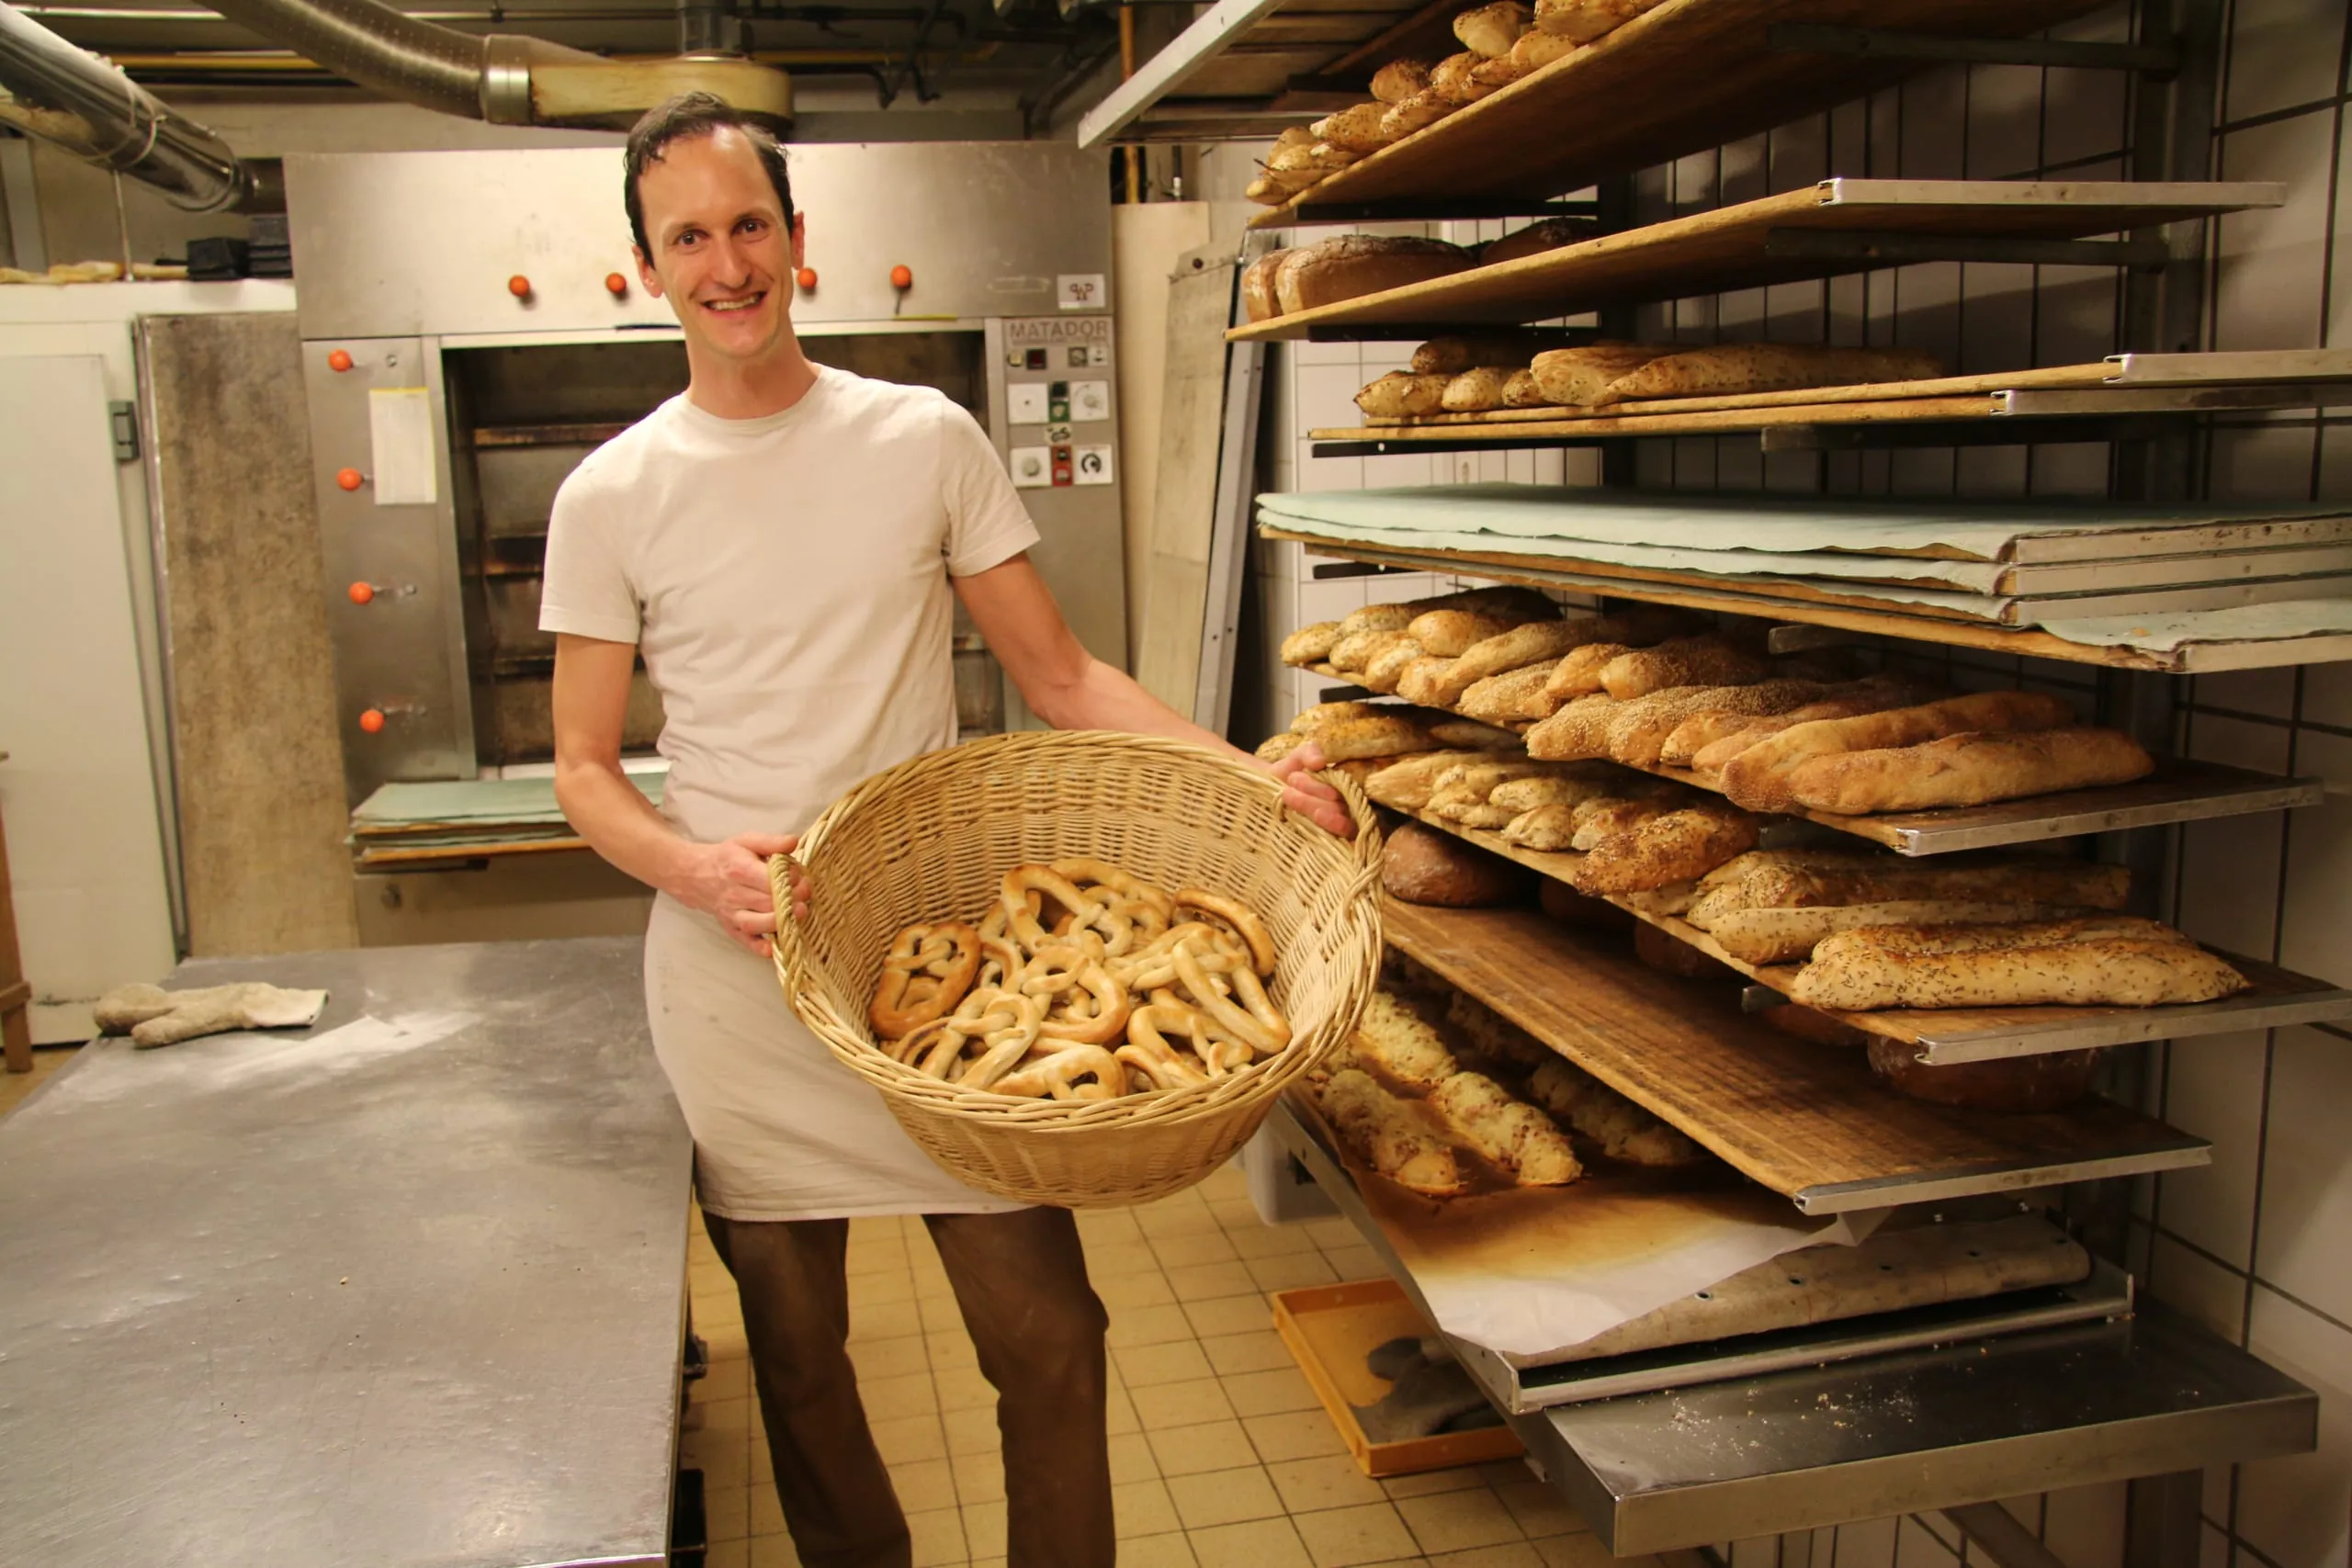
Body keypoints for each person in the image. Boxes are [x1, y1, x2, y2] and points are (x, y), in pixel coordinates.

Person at [542, 93, 1348, 1568]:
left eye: (748, 226)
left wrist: (1248, 780)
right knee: (796, 1353)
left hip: (935, 978)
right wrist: (689, 862)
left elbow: (1060, 675)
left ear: (799, 242)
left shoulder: (921, 437)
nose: (726, 264)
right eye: (688, 238)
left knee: (1052, 1333)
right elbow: (584, 769)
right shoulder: (614, 492)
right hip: (738, 974)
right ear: (647, 269)